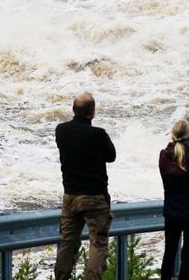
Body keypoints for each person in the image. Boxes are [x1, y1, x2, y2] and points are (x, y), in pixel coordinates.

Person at [54, 92, 116, 280]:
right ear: (92, 112)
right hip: (95, 197)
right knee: (98, 243)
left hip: (70, 196)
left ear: (73, 109)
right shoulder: (98, 134)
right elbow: (111, 156)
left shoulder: (61, 130)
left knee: (67, 243)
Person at [159, 120, 189, 280]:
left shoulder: (163, 157)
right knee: (187, 256)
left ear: (172, 136)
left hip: (172, 212)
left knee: (169, 254)